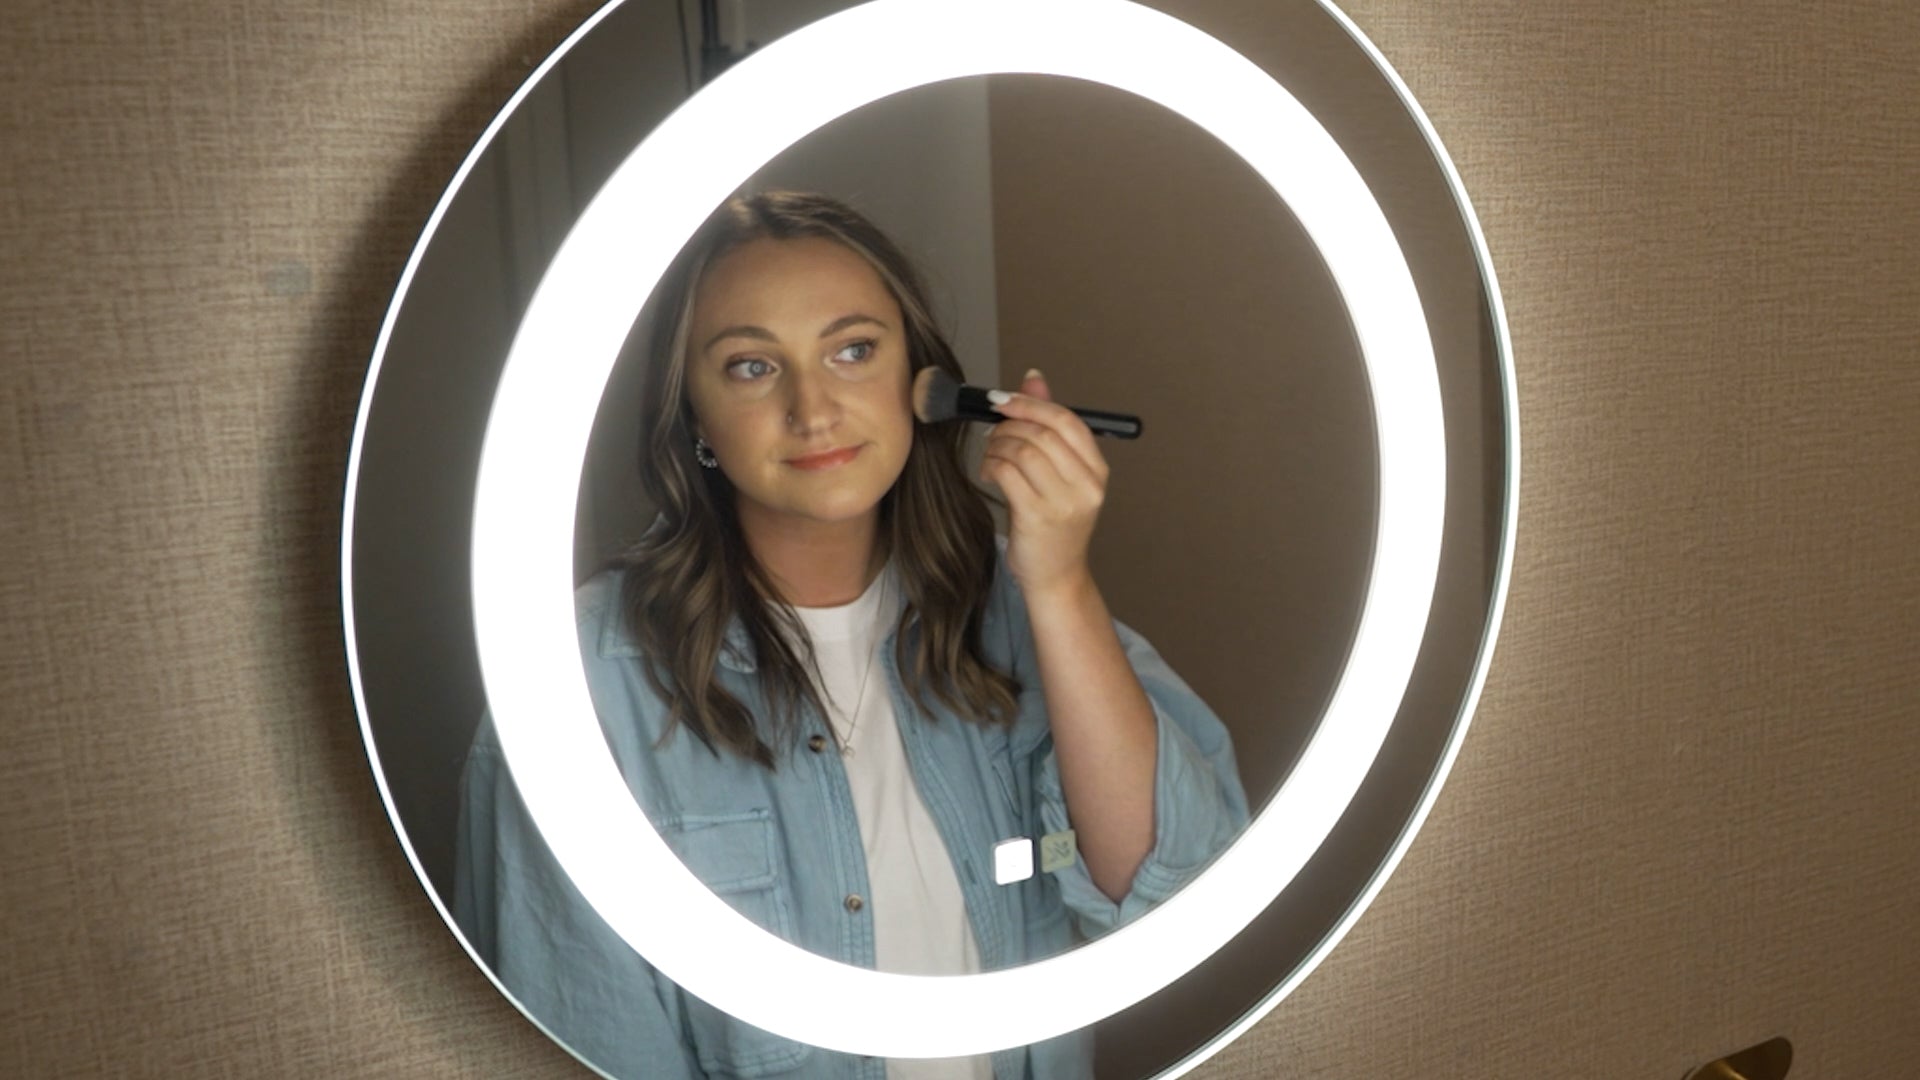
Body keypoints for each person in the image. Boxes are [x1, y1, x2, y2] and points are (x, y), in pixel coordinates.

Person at [454, 191, 1248, 1080]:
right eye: (753, 367)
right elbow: (580, 1032)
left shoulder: (1014, 603)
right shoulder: (582, 689)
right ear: (695, 422)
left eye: (853, 350)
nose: (814, 408)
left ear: (922, 383)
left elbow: (1168, 889)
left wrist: (1060, 585)